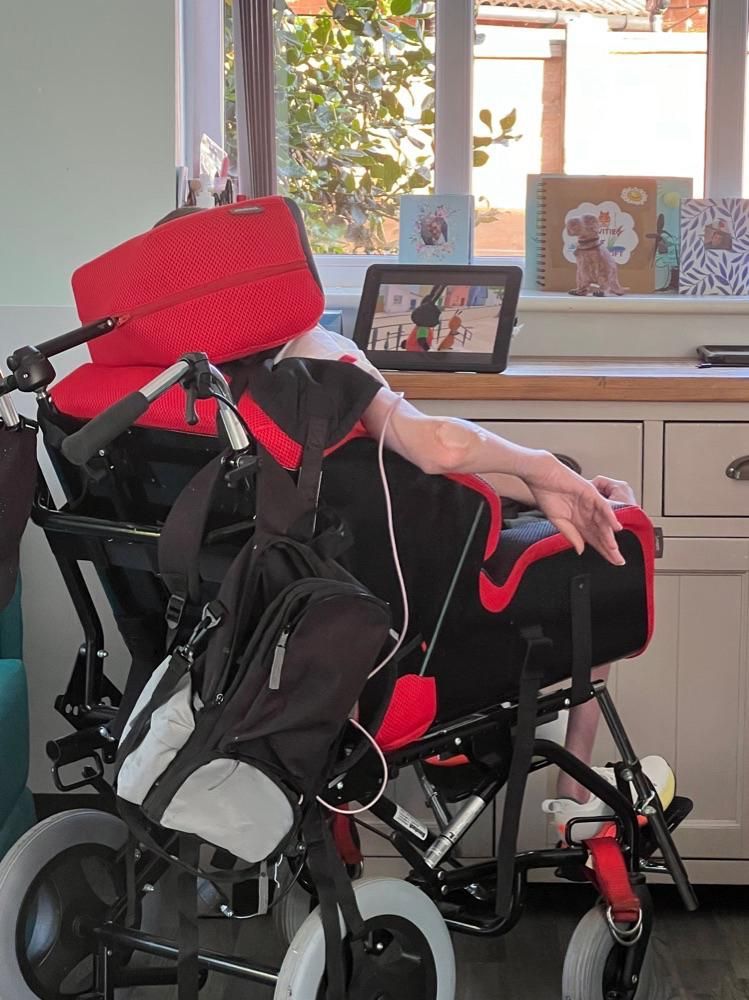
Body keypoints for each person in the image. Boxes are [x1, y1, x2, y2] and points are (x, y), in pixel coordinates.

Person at [274, 324, 674, 834]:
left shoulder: (195, 386)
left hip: (285, 663)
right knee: (602, 557)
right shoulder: (319, 359)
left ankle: (450, 771)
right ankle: (573, 794)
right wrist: (544, 467)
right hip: (393, 670)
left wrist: (556, 484)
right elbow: (438, 449)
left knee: (554, 517)